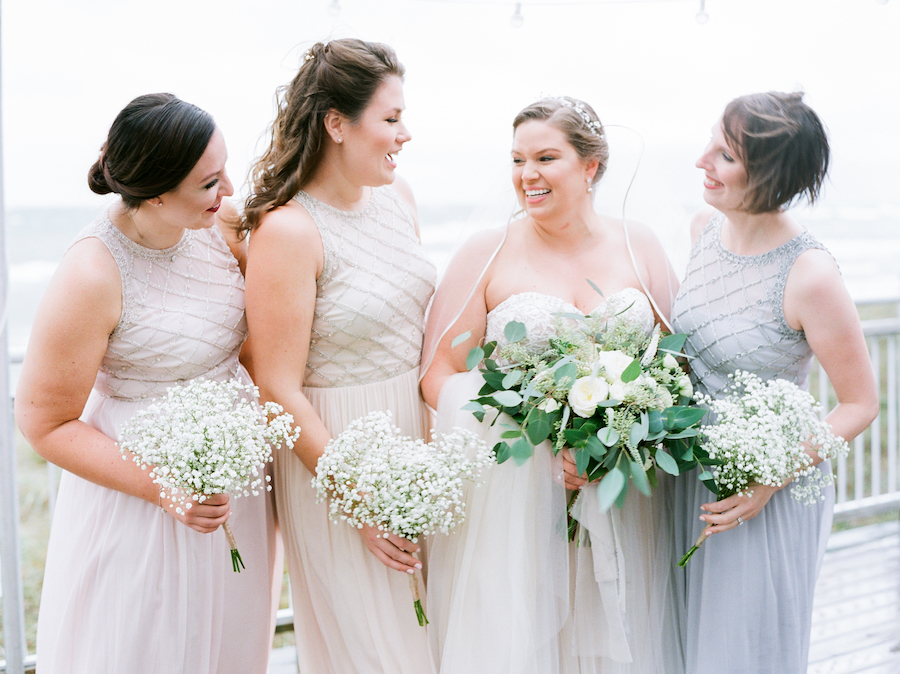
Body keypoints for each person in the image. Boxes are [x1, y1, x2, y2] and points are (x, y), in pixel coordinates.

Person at [15, 93, 279, 673]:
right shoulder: (91, 274)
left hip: (232, 485)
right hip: (141, 492)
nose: (230, 190)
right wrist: (163, 487)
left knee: (230, 646)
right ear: (156, 192)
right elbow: (44, 423)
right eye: (210, 182)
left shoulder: (221, 228)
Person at [420, 96, 676, 674]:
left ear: (590, 166)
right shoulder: (488, 251)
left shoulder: (641, 245)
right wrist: (534, 432)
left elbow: (674, 370)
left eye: (544, 157)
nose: (526, 175)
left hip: (620, 497)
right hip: (514, 501)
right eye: (516, 160)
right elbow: (437, 375)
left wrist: (615, 440)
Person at [240, 39, 437, 673]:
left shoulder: (397, 198)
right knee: (382, 655)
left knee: (435, 642)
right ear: (336, 124)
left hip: (417, 445)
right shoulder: (290, 231)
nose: (405, 134)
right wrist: (359, 500)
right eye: (391, 118)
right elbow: (276, 388)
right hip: (338, 460)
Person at [668, 91, 879, 673]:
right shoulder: (701, 230)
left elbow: (860, 404)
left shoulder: (811, 275)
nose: (701, 161)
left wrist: (768, 476)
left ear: (767, 173)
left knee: (740, 654)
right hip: (685, 472)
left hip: (763, 486)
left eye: (724, 154)